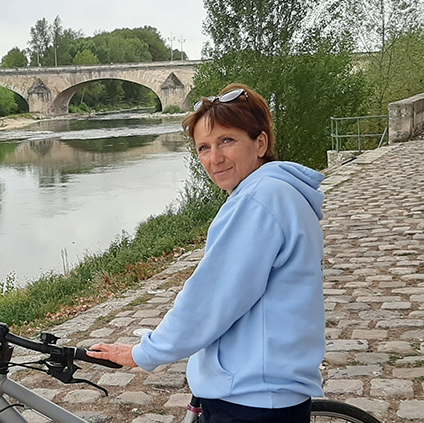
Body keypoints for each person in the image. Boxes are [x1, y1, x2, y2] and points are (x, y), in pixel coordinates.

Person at [88, 84, 325, 423]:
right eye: (203, 147)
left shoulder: (259, 201)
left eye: (227, 141)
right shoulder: (280, 193)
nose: (214, 159)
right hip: (269, 391)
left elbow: (210, 300)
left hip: (251, 401)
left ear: (260, 142)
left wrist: (144, 353)